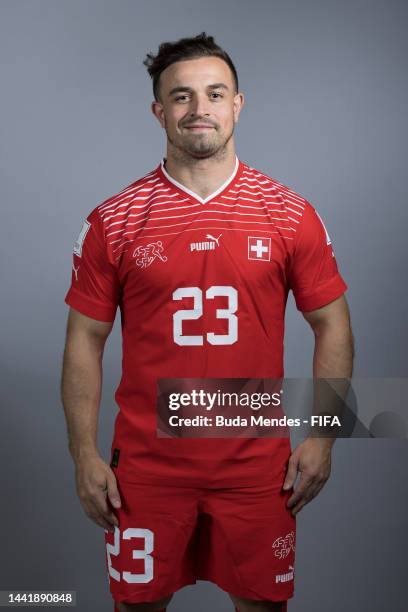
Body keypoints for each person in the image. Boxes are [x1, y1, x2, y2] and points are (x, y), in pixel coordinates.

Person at [61, 32, 354, 612]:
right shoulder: (115, 220)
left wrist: (322, 434)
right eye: (182, 96)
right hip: (146, 470)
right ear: (158, 111)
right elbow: (83, 341)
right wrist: (84, 455)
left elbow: (333, 327)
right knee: (137, 607)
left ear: (238, 104)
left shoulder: (289, 214)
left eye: (215, 94)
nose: (200, 109)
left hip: (257, 469)